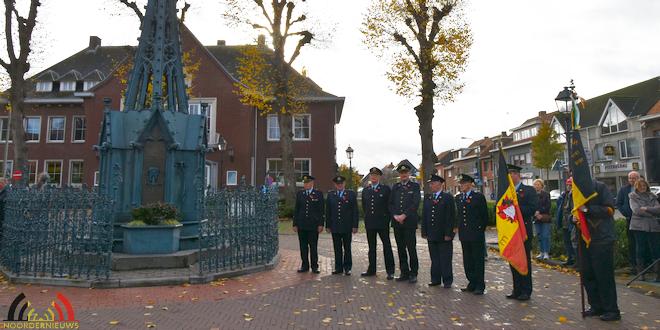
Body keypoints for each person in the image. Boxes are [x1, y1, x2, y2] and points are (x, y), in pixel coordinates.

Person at [578, 179, 621, 321]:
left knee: (604, 276)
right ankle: (596, 306)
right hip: (585, 238)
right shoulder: (575, 191)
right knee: (587, 274)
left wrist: (587, 209)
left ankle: (611, 310)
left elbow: (609, 210)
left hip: (602, 237)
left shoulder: (600, 187)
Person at [505, 164, 538, 301]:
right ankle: (516, 289)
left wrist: (516, 209)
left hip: (523, 230)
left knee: (524, 261)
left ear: (517, 175)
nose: (510, 177)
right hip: (511, 231)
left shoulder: (528, 190)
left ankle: (526, 290)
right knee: (513, 261)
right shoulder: (506, 192)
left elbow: (532, 208)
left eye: (512, 174)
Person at [456, 174, 488, 295]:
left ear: (470, 184)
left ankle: (480, 284)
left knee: (477, 259)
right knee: (467, 259)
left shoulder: (478, 197)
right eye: (461, 183)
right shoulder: (459, 198)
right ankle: (472, 282)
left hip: (476, 233)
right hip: (464, 234)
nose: (461, 185)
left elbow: (484, 216)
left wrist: (480, 229)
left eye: (463, 183)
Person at [421, 174, 456, 288]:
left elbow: (451, 217)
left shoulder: (447, 197)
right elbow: (425, 215)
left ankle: (447, 280)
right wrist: (424, 232)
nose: (431, 185)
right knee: (434, 258)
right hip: (431, 234)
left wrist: (449, 233)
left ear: (440, 184)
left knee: (445, 258)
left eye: (433, 183)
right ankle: (435, 279)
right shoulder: (428, 198)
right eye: (430, 183)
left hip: (443, 234)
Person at [389, 164, 421, 283]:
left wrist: (404, 215)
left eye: (405, 172)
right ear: (399, 174)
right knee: (400, 248)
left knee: (411, 248)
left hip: (409, 223)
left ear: (409, 174)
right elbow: (390, 203)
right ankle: (404, 272)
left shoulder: (415, 186)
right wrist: (395, 216)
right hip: (397, 223)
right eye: (401, 173)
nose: (403, 175)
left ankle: (414, 273)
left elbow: (415, 203)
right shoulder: (395, 187)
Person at [361, 167, 395, 279]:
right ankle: (371, 269)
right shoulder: (366, 190)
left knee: (387, 246)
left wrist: (388, 220)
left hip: (382, 223)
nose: (373, 177)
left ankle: (390, 271)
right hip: (370, 222)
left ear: (379, 177)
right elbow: (364, 207)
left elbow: (390, 205)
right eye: (372, 175)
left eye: (375, 175)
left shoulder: (385, 189)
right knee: (372, 247)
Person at [326, 175, 359, 275]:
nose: (339, 185)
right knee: (337, 248)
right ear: (335, 185)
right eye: (337, 184)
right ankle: (338, 267)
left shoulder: (351, 194)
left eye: (341, 183)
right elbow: (328, 211)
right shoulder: (331, 195)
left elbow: (355, 211)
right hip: (335, 226)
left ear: (344, 184)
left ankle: (347, 267)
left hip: (347, 226)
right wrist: (328, 225)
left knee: (347, 248)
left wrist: (355, 225)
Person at [628, 179, 660, 282]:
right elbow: (636, 210)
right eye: (640, 186)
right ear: (637, 187)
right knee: (640, 249)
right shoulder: (633, 197)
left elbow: (658, 209)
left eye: (644, 185)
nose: (642, 187)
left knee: (655, 249)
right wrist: (652, 212)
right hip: (639, 226)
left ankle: (657, 273)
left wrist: (646, 208)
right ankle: (641, 273)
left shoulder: (652, 196)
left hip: (653, 226)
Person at [293, 175, 324, 274]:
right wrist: (295, 224)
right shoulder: (300, 194)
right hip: (302, 225)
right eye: (305, 183)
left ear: (312, 183)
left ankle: (315, 266)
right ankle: (304, 265)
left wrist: (320, 224)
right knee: (303, 246)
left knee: (313, 246)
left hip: (313, 225)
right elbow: (297, 209)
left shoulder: (318, 194)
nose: (306, 184)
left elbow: (321, 210)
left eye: (308, 183)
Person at [616, 171, 640, 273]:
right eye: (630, 178)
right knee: (632, 242)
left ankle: (643, 263)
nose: (631, 180)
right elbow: (619, 203)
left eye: (634, 178)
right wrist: (625, 212)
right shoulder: (624, 189)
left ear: (638, 178)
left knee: (641, 242)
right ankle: (633, 264)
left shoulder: (642, 187)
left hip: (642, 220)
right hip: (630, 219)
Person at [556, 177, 576, 266]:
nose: (569, 187)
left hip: (571, 222)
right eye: (568, 185)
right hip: (565, 221)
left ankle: (575, 260)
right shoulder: (564, 195)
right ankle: (570, 258)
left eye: (570, 185)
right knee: (567, 241)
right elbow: (560, 207)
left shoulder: (574, 195)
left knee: (573, 241)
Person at [533, 179, 552, 260]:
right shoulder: (532, 195)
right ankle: (541, 252)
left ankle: (546, 252)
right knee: (539, 236)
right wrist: (535, 213)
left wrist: (539, 212)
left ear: (542, 185)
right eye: (535, 184)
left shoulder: (546, 194)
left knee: (545, 235)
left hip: (544, 218)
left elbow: (548, 206)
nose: (537, 186)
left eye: (538, 184)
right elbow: (531, 205)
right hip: (536, 218)